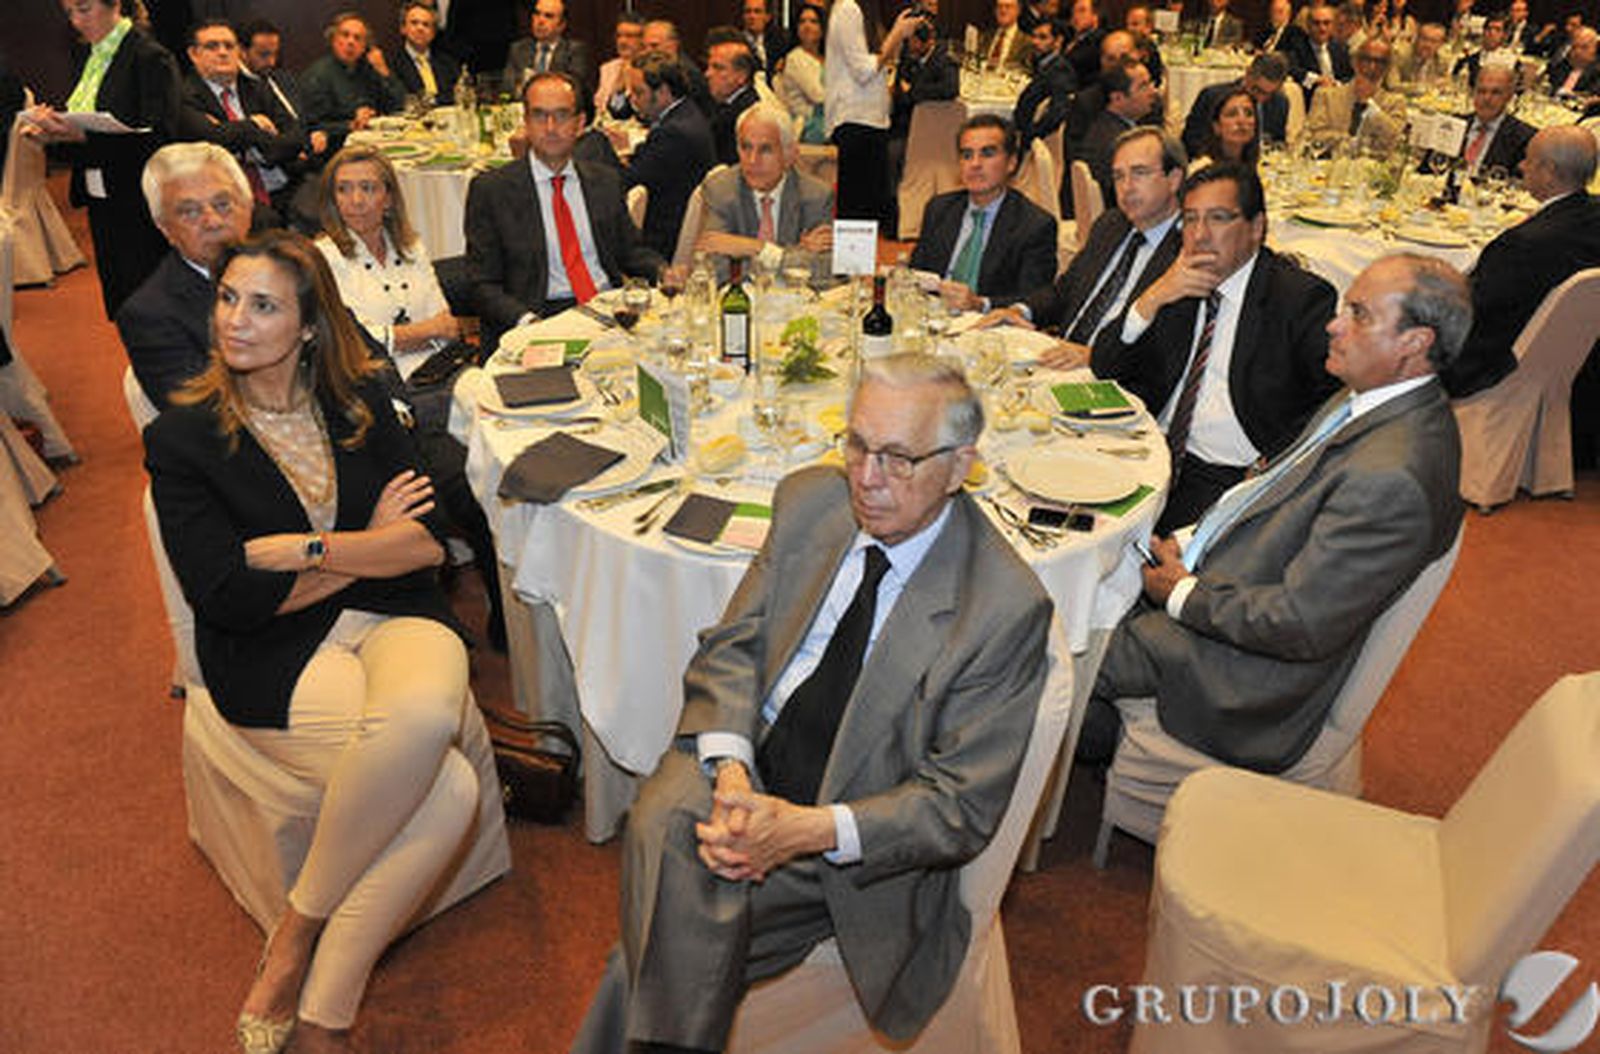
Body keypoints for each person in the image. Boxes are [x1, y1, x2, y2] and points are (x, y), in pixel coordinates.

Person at [569, 353, 1053, 1053]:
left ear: (960, 466)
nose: (866, 478)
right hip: (743, 758)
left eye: (898, 458)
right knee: (661, 825)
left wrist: (802, 831)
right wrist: (732, 771)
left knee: (651, 944)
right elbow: (732, 644)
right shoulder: (809, 503)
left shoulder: (1002, 608)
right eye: (856, 444)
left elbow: (957, 809)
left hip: (849, 833)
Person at [143, 230, 482, 1054]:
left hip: (400, 615)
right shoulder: (183, 437)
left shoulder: (359, 401)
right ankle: (326, 1007)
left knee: (423, 716)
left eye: (263, 305)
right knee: (451, 793)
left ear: (307, 327)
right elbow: (228, 595)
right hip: (275, 653)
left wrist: (310, 550)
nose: (235, 319)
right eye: (228, 298)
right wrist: (370, 546)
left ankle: (297, 931)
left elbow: (428, 547)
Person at [1081, 252, 1468, 776]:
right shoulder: (1370, 398)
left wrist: (1180, 592)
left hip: (1237, 671)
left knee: (1047, 649)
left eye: (1359, 314)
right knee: (1084, 582)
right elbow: (1269, 493)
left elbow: (1302, 624)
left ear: (1414, 343)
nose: (1333, 325)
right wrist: (1190, 540)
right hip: (1230, 581)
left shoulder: (1393, 477)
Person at [315, 143, 507, 650]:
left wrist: (408, 334)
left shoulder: (411, 247)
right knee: (463, 488)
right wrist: (421, 332)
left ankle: (510, 600)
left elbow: (446, 321)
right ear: (332, 199)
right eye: (344, 189)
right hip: (392, 398)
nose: (356, 200)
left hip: (449, 377)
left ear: (388, 198)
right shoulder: (324, 260)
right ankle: (468, 612)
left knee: (509, 456)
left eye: (368, 188)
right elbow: (356, 341)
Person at [1091, 163, 1340, 534]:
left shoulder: (1298, 299)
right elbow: (1105, 366)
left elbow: (1332, 406)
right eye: (1190, 219)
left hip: (1227, 475)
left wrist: (1273, 464)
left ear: (1256, 227)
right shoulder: (1176, 277)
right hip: (1148, 451)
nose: (1200, 235)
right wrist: (1151, 299)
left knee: (1136, 550)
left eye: (1218, 218)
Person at [465, 72, 663, 352]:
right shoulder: (492, 190)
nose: (550, 127)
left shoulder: (604, 180)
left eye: (561, 115)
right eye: (539, 116)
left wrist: (665, 272)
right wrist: (528, 322)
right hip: (538, 314)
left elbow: (631, 251)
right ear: (525, 122)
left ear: (580, 124)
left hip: (605, 310)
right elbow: (481, 284)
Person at [23, 0, 181, 318]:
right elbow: (84, 134)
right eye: (69, 13)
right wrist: (50, 137)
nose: (76, 21)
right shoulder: (90, 54)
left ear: (115, 5)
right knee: (119, 293)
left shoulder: (148, 55)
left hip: (138, 193)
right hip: (100, 190)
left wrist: (81, 136)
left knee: (146, 293)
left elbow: (161, 137)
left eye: (84, 9)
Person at [981, 126, 1185, 369]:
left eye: (1139, 173)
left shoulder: (1186, 251)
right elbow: (1065, 292)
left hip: (1115, 377)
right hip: (1061, 360)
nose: (1127, 187)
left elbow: (1167, 351)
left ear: (1174, 179)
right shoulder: (1111, 225)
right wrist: (1020, 311)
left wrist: (1094, 357)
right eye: (1118, 176)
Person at [1444, 126, 1600, 399]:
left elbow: (1471, 312)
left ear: (1549, 171)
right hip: (1574, 367)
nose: (1521, 166)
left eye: (1528, 159)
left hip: (1490, 370)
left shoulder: (1523, 244)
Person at [117, 142, 252, 408]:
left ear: (248, 206)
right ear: (164, 228)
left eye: (223, 204)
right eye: (190, 212)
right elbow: (201, 414)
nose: (212, 222)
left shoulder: (289, 266)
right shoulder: (150, 314)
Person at [909, 115, 1058, 313]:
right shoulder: (939, 209)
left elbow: (1036, 300)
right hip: (933, 318)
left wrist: (981, 303)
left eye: (987, 154)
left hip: (990, 325)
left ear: (1011, 162)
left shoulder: (1034, 225)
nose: (975, 164)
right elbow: (916, 274)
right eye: (967, 155)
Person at [176, 19, 302, 230]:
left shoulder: (257, 87)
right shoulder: (184, 96)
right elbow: (213, 139)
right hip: (230, 197)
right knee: (265, 223)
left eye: (229, 46)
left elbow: (296, 138)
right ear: (194, 54)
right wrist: (254, 124)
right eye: (212, 46)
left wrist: (247, 148)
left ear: (239, 52)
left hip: (284, 182)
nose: (223, 52)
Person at [697, 103, 835, 281]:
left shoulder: (816, 195)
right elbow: (716, 271)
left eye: (765, 150)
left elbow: (825, 271)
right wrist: (797, 253)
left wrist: (757, 248)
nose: (752, 160)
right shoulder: (720, 189)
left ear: (789, 155)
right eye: (746, 147)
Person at [826, 0, 923, 225]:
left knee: (869, 213)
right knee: (857, 215)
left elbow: (881, 59)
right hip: (855, 118)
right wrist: (897, 34)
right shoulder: (848, 9)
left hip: (870, 119)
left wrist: (897, 33)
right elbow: (864, 70)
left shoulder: (865, 11)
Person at [619, 53, 716, 260]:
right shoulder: (687, 112)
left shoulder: (673, 133)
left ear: (663, 92)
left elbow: (627, 181)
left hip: (660, 240)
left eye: (638, 92)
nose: (632, 99)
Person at [299, 12, 406, 153]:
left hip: (375, 143)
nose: (351, 42)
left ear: (364, 46)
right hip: (337, 150)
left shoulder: (368, 69)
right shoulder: (318, 75)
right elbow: (312, 126)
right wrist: (351, 124)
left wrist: (383, 71)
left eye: (358, 38)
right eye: (345, 35)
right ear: (333, 39)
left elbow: (399, 104)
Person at [1417, 65, 1533, 179]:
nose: (1487, 98)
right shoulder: (1451, 124)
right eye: (1481, 91)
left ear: (1509, 96)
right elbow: (1426, 171)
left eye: (1496, 93)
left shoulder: (1523, 138)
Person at [1305, 38, 1406, 152]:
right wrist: (1351, 141)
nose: (1372, 67)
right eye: (1367, 59)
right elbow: (1313, 135)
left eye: (1380, 62)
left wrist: (1371, 107)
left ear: (1387, 68)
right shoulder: (1326, 96)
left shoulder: (1395, 103)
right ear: (1355, 62)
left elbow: (1396, 140)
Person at [1080, 60, 1160, 204]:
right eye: (1143, 86)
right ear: (1117, 98)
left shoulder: (1106, 125)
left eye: (1151, 83)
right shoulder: (1119, 144)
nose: (1153, 92)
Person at [1182, 53, 1289, 158]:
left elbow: (1278, 144)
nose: (1261, 98)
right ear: (1248, 74)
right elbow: (1191, 142)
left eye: (1269, 94)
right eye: (1256, 89)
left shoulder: (1280, 103)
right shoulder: (1213, 96)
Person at [504, 0, 594, 97]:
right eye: (537, 14)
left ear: (561, 25)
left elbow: (573, 88)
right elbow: (508, 87)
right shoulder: (519, 49)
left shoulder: (574, 51)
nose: (540, 21)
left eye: (548, 16)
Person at [1013, 17, 1077, 152]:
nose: (1035, 42)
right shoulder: (1045, 65)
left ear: (1058, 41)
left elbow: (1058, 112)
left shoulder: (1060, 70)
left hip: (1035, 144)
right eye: (1034, 36)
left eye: (1043, 37)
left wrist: (1029, 135)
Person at [775, 3, 828, 143]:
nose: (807, 26)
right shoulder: (796, 58)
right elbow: (818, 96)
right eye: (802, 21)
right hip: (808, 125)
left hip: (828, 117)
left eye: (813, 22)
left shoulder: (826, 58)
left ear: (823, 28)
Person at [393, 1, 461, 108]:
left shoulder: (448, 63)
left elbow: (457, 95)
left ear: (433, 33)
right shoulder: (392, 64)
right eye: (414, 23)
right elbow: (401, 98)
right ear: (403, 28)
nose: (420, 28)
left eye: (426, 25)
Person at [642, 19, 714, 115]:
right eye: (644, 47)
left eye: (654, 46)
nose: (647, 52)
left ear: (673, 45)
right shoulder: (651, 69)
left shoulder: (689, 74)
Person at [708, 40, 762, 166]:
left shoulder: (745, 114)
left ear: (742, 76)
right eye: (708, 67)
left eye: (718, 68)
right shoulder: (725, 104)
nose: (708, 74)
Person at [1286, 3, 1354, 99]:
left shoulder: (1341, 48)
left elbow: (1350, 76)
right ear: (1308, 25)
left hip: (1338, 98)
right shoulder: (1296, 47)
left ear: (1333, 25)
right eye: (1316, 23)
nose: (1322, 28)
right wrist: (1316, 79)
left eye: (1326, 23)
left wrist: (1336, 84)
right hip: (1311, 100)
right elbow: (1292, 69)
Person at [594, 12, 645, 122]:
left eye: (629, 36)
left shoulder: (649, 69)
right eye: (619, 36)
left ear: (643, 40)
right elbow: (601, 106)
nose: (622, 41)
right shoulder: (607, 69)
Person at [1192, 87, 1260, 168]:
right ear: (1216, 126)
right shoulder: (1203, 167)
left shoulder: (1262, 166)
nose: (1242, 121)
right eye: (1232, 114)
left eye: (1249, 114)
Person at [1453, 14, 1518, 88]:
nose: (1492, 33)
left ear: (1505, 35)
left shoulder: (1511, 61)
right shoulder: (1470, 59)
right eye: (1489, 29)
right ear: (1483, 32)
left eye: (1497, 30)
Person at [1386, 21, 1450, 91]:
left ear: (1441, 44)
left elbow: (1445, 82)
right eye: (1424, 39)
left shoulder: (1442, 59)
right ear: (1416, 38)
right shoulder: (1400, 54)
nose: (1428, 45)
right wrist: (1423, 87)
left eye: (1433, 41)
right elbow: (1392, 85)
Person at [741, 0, 792, 83]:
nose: (752, 16)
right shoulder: (737, 43)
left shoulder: (779, 41)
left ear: (767, 17)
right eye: (748, 12)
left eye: (757, 12)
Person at [1063, 0, 1108, 87]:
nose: (1076, 16)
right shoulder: (1069, 39)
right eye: (1073, 12)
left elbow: (1073, 64)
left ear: (1095, 16)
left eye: (1082, 11)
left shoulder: (1100, 39)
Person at [981, 0, 1034, 71]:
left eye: (1008, 7)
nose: (1003, 11)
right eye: (999, 7)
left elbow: (1026, 70)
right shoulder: (985, 37)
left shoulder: (1026, 42)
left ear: (1018, 11)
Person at [1548, 27, 1600, 97]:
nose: (1577, 51)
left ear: (1595, 49)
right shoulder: (1561, 65)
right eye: (1574, 46)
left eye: (1584, 47)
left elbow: (1591, 95)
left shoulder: (1597, 73)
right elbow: (1549, 86)